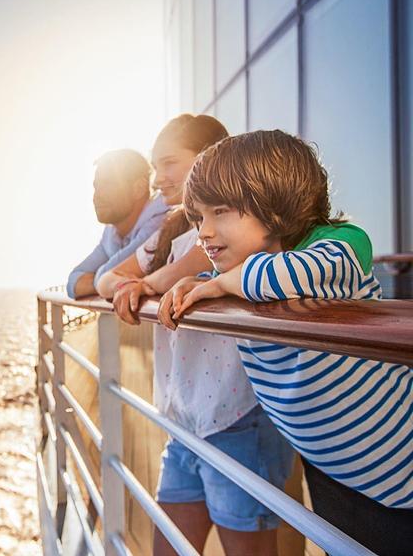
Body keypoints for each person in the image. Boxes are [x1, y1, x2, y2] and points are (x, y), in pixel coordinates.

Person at [160, 130, 413, 554]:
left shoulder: (340, 245)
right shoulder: (233, 276)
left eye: (219, 211)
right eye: (196, 217)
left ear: (275, 203)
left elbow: (284, 275)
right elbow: (246, 282)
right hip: (333, 471)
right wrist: (204, 282)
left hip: (399, 465)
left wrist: (218, 283)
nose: (203, 232)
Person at [100, 116, 295, 556]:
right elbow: (108, 279)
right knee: (167, 547)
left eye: (169, 162)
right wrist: (132, 286)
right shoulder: (173, 233)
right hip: (183, 422)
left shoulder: (240, 238)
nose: (158, 177)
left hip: (237, 420)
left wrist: (149, 282)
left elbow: (193, 268)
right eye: (154, 166)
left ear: (215, 162)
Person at [66, 149, 169, 299]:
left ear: (139, 189)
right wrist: (104, 281)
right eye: (96, 186)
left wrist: (103, 280)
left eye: (107, 185)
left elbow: (106, 275)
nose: (96, 196)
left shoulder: (161, 222)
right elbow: (73, 282)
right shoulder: (111, 233)